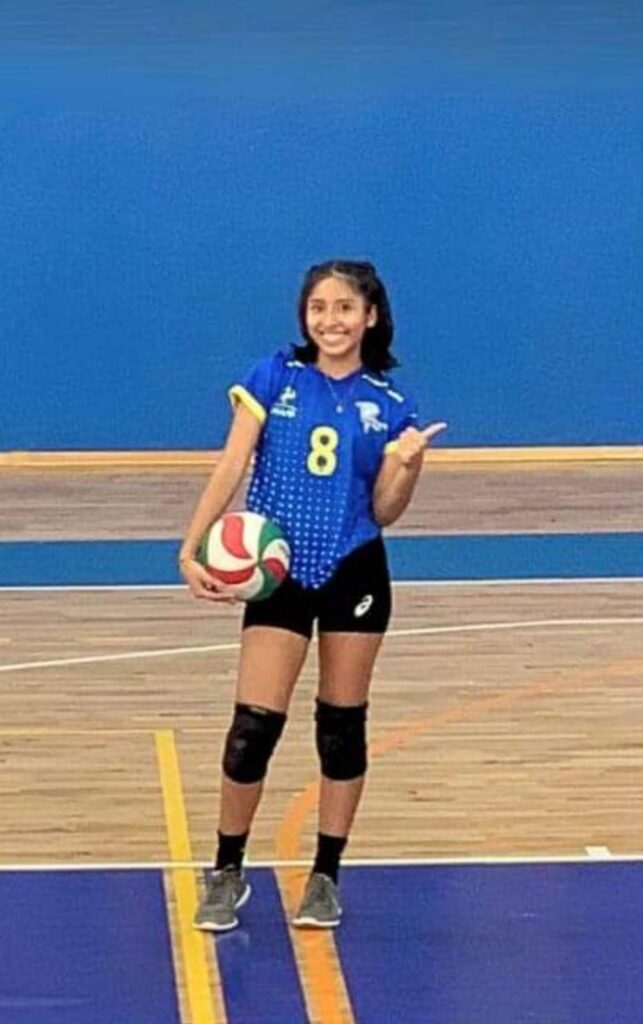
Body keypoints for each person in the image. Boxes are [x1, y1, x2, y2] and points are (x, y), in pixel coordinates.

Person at [179, 259, 446, 931]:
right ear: (304, 316)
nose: (330, 320)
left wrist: (406, 465)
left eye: (345, 308)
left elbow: (384, 510)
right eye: (318, 307)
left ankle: (325, 875)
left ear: (370, 317)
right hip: (282, 574)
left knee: (341, 727)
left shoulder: (389, 404)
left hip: (354, 567)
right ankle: (227, 869)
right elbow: (232, 464)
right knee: (252, 729)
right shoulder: (274, 377)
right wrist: (192, 545)